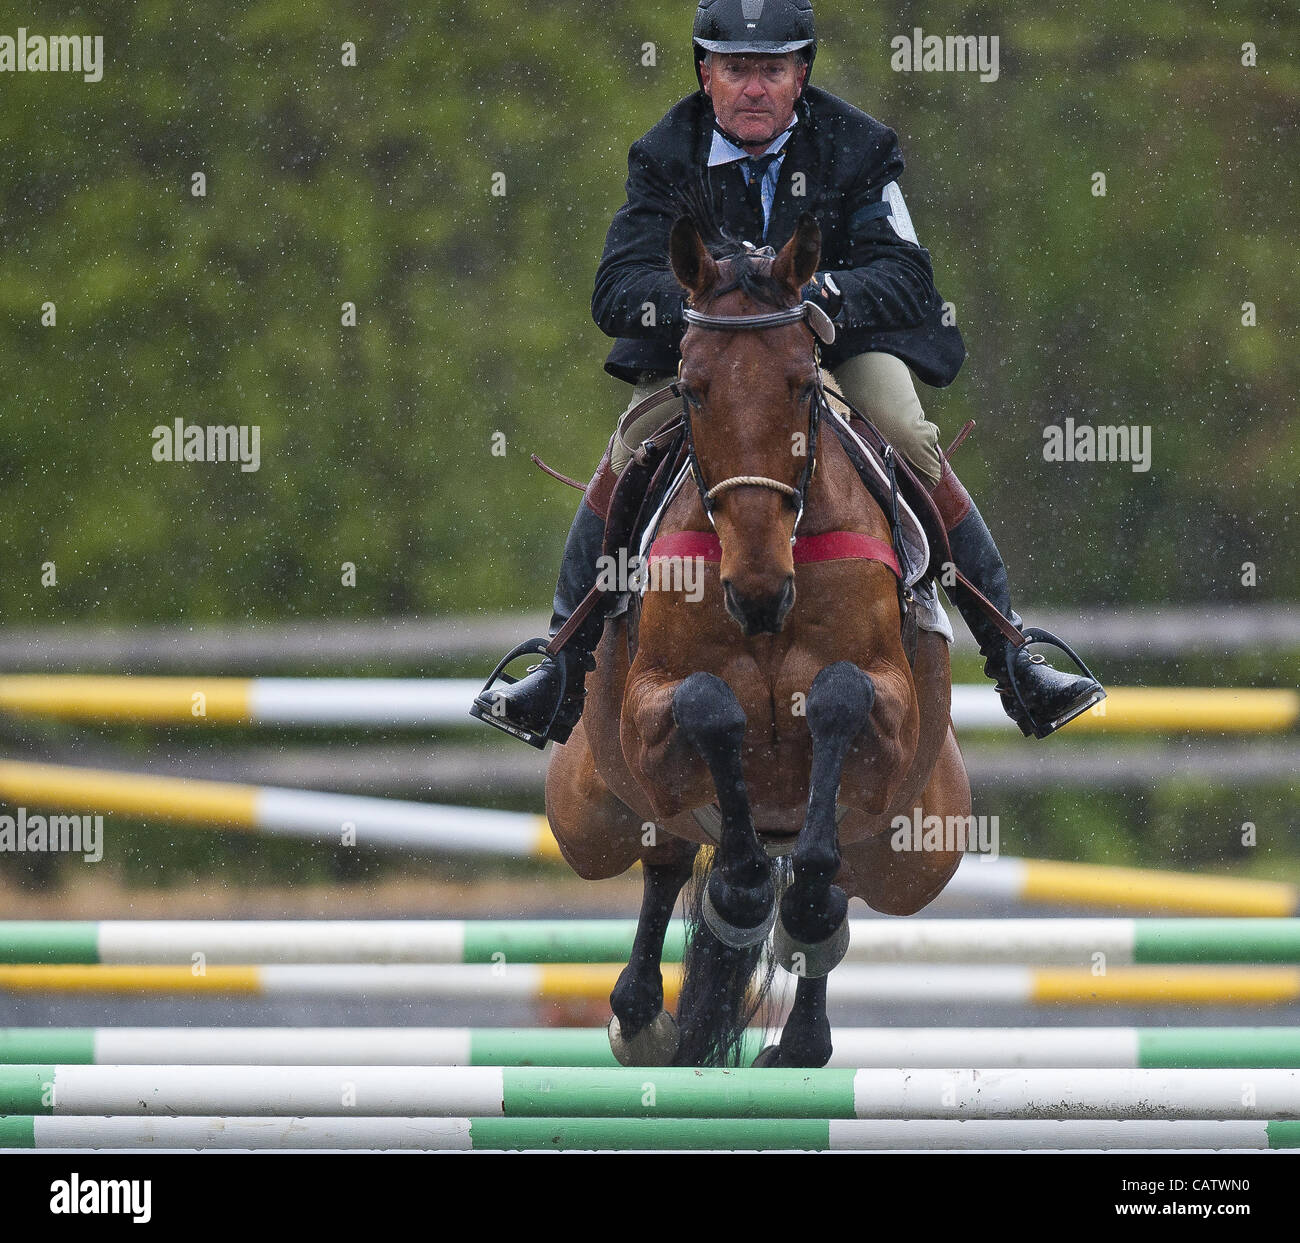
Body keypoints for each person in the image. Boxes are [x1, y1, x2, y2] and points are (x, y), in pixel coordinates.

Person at [473, 0, 1104, 746]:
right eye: (736, 69)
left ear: (801, 75)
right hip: (710, 355)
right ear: (705, 73)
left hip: (829, 348)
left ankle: (1013, 655)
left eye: (772, 70)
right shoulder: (664, 154)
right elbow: (615, 289)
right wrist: (715, 305)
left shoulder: (859, 146)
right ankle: (558, 664)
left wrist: (818, 295)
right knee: (629, 446)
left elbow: (908, 278)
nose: (753, 88)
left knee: (905, 429)